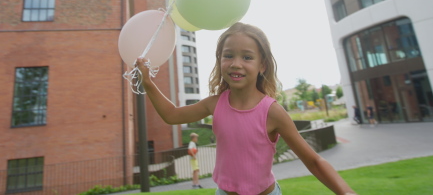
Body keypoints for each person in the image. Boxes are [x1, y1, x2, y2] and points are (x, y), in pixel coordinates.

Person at [137, 22, 356, 195]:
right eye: (228, 55)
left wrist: (345, 191)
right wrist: (148, 82)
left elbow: (314, 160)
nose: (236, 63)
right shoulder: (215, 103)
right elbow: (171, 115)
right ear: (219, 60)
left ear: (262, 65)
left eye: (247, 57)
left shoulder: (272, 111)